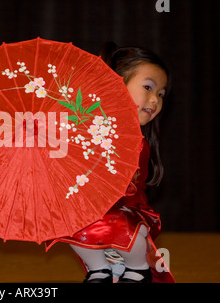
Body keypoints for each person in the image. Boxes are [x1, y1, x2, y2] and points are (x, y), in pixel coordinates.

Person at [46, 42, 175, 283]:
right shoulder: (86, 132)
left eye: (160, 93)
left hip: (129, 212)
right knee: (67, 217)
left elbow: (125, 188)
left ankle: (137, 269)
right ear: (115, 84)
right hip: (94, 213)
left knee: (119, 220)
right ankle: (100, 268)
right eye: (147, 87)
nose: (155, 99)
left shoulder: (135, 141)